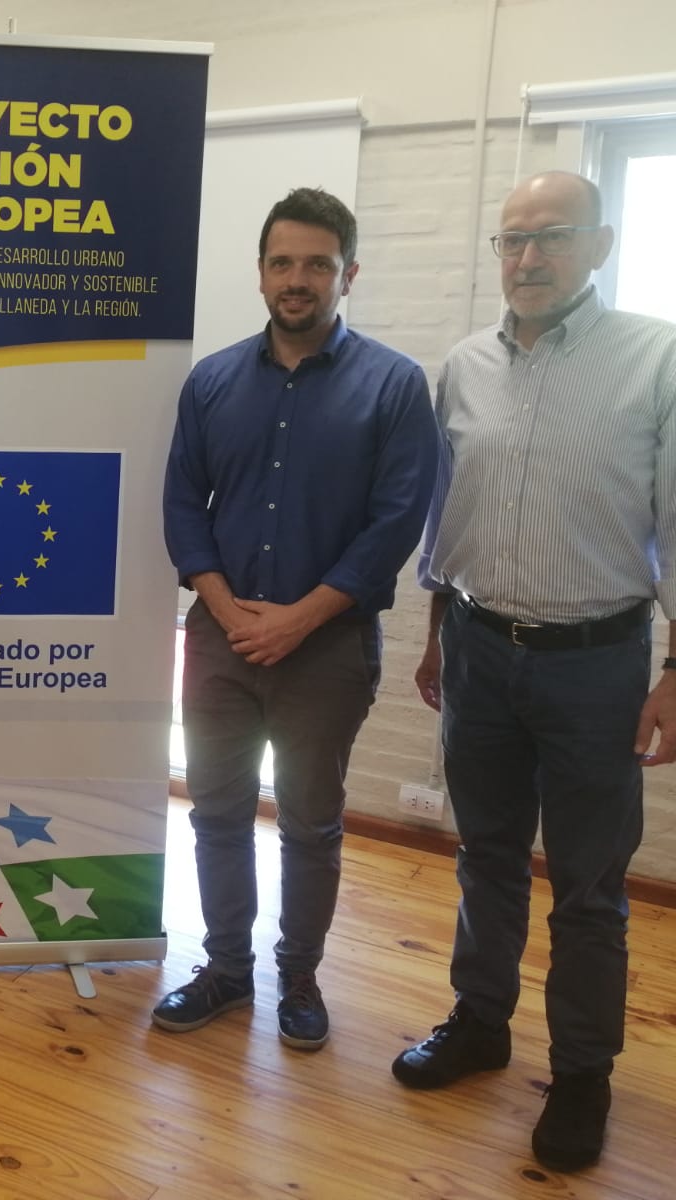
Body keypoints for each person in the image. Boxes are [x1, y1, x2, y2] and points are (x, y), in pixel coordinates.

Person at [395, 171, 676, 1172]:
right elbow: (446, 517)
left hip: (598, 667)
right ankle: (480, 1021)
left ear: (600, 244)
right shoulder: (463, 367)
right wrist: (435, 635)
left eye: (553, 236)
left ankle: (582, 1073)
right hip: (478, 650)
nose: (529, 258)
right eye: (512, 240)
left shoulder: (660, 357)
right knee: (485, 856)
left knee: (588, 885)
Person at [157, 188, 438, 1049]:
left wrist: (297, 620)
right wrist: (224, 607)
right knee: (216, 814)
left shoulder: (394, 385)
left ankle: (301, 978)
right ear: (260, 273)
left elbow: (396, 522)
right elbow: (183, 505)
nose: (298, 279)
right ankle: (226, 970)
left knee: (311, 824)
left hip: (329, 648)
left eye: (318, 263)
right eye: (283, 262)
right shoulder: (212, 382)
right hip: (220, 642)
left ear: (348, 274)